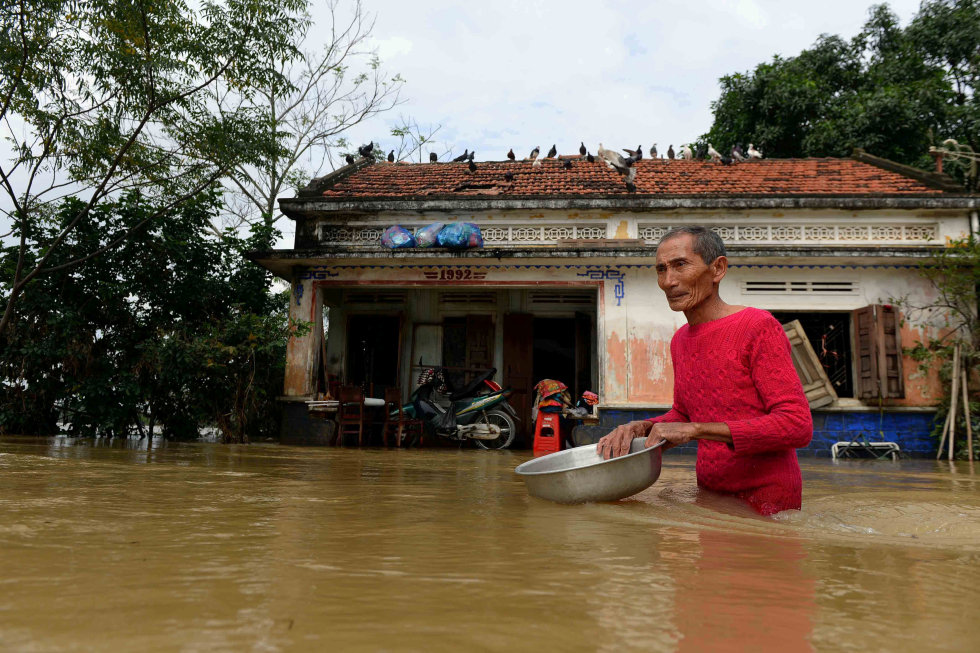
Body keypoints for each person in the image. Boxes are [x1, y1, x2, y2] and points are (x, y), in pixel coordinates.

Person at [597, 226, 812, 515]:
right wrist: (641, 427)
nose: (669, 281)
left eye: (680, 265)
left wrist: (697, 430)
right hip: (710, 494)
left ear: (718, 269)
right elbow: (684, 415)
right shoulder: (680, 340)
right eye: (661, 270)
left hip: (768, 500)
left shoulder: (758, 327)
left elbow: (796, 425)